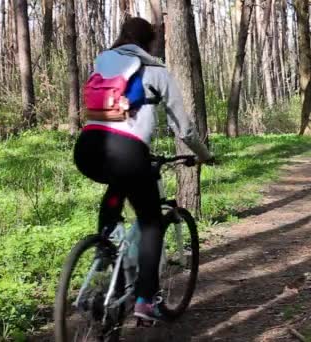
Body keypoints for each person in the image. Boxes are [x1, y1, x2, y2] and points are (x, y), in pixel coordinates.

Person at [73, 17, 213, 321]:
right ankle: (146, 300)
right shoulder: (156, 70)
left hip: (87, 149)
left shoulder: (103, 61)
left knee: (118, 186)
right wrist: (204, 155)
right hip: (126, 151)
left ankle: (106, 251)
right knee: (150, 222)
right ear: (151, 42)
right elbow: (185, 130)